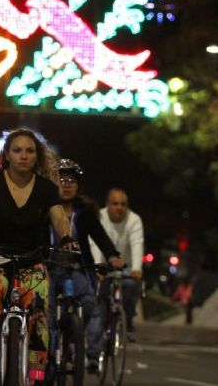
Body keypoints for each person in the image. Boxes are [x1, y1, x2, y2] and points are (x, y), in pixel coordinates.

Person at [0, 128, 74, 386]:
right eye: (17, 150)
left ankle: (37, 376)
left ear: (37, 156)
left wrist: (66, 237)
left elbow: (60, 219)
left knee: (40, 319)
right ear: (6, 154)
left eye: (30, 151)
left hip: (32, 262)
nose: (23, 156)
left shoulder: (46, 189)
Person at [49, 159, 124, 375]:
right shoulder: (44, 208)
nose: (66, 184)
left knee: (90, 302)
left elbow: (100, 237)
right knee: (48, 314)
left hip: (76, 269)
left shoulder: (86, 212)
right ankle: (49, 357)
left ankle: (71, 338)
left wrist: (112, 256)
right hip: (48, 269)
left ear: (78, 186)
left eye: (71, 181)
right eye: (61, 179)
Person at [90, 188, 144, 337]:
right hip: (104, 266)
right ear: (107, 205)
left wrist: (137, 269)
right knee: (99, 296)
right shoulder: (98, 217)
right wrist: (97, 268)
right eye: (115, 204)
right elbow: (95, 244)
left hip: (126, 268)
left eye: (123, 204)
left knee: (132, 286)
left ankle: (127, 317)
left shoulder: (134, 220)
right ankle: (99, 332)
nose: (119, 207)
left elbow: (137, 243)